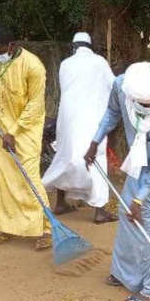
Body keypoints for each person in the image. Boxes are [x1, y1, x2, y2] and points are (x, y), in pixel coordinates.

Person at [84, 62, 150, 301]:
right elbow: (111, 114)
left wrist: (141, 198)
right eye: (143, 104)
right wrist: (95, 142)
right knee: (128, 216)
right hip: (138, 158)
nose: (148, 107)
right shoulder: (120, 86)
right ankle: (123, 273)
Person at [0, 24, 52, 250]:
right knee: (3, 179)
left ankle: (46, 229)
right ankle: (6, 227)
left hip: (24, 133)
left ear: (11, 45)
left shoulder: (34, 67)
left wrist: (13, 132)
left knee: (29, 180)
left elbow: (35, 105)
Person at [42, 32, 116, 224]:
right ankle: (100, 211)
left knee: (65, 155)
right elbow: (113, 86)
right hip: (91, 119)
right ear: (89, 46)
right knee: (96, 158)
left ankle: (60, 202)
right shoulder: (99, 62)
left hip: (67, 120)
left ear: (74, 47)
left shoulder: (65, 65)